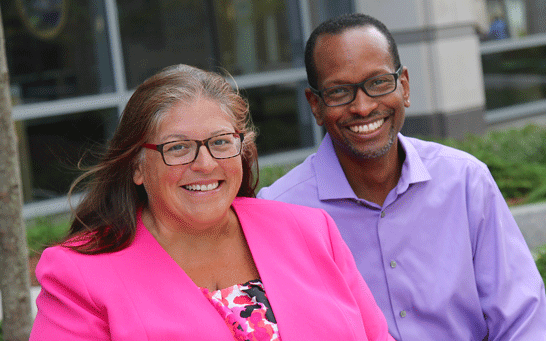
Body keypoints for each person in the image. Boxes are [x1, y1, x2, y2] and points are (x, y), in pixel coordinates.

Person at [30, 64, 394, 341]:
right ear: (137, 167)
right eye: (178, 148)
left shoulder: (310, 231)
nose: (204, 164)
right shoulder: (79, 275)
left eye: (220, 142)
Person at [258, 13, 546, 340]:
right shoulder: (280, 212)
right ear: (315, 105)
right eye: (340, 91)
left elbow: (523, 319)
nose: (364, 106)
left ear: (405, 86)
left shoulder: (466, 182)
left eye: (379, 83)